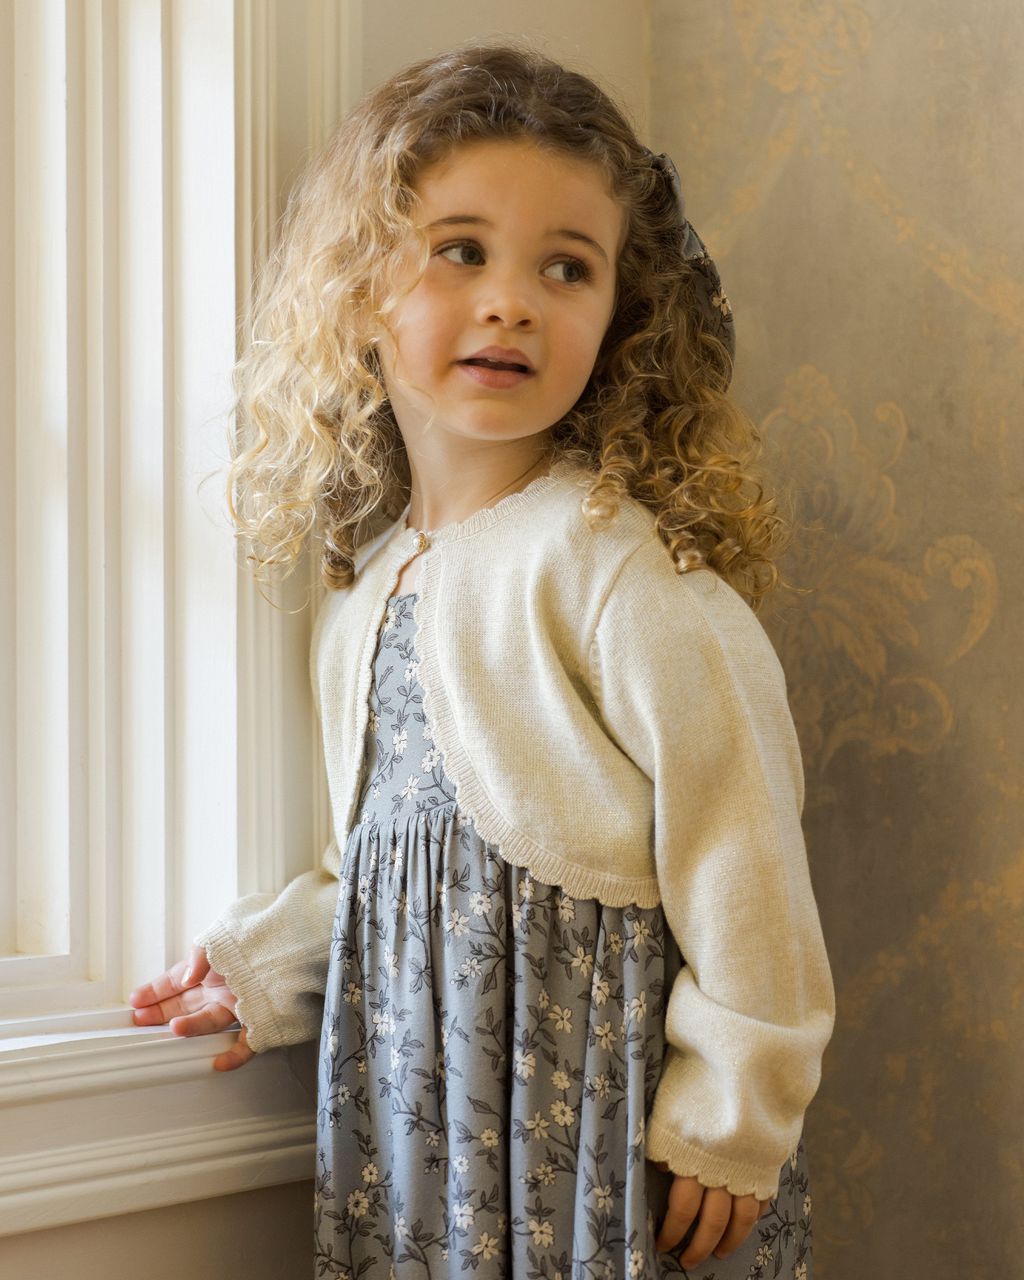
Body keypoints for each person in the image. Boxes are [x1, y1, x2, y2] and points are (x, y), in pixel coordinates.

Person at [129, 38, 835, 1278]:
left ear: (616, 320)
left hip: (611, 1143)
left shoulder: (613, 563)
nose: (512, 297)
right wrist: (270, 961)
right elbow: (387, 870)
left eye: (567, 267)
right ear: (359, 288)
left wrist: (736, 1111)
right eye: (462, 248)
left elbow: (746, 849)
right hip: (435, 1145)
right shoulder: (366, 593)